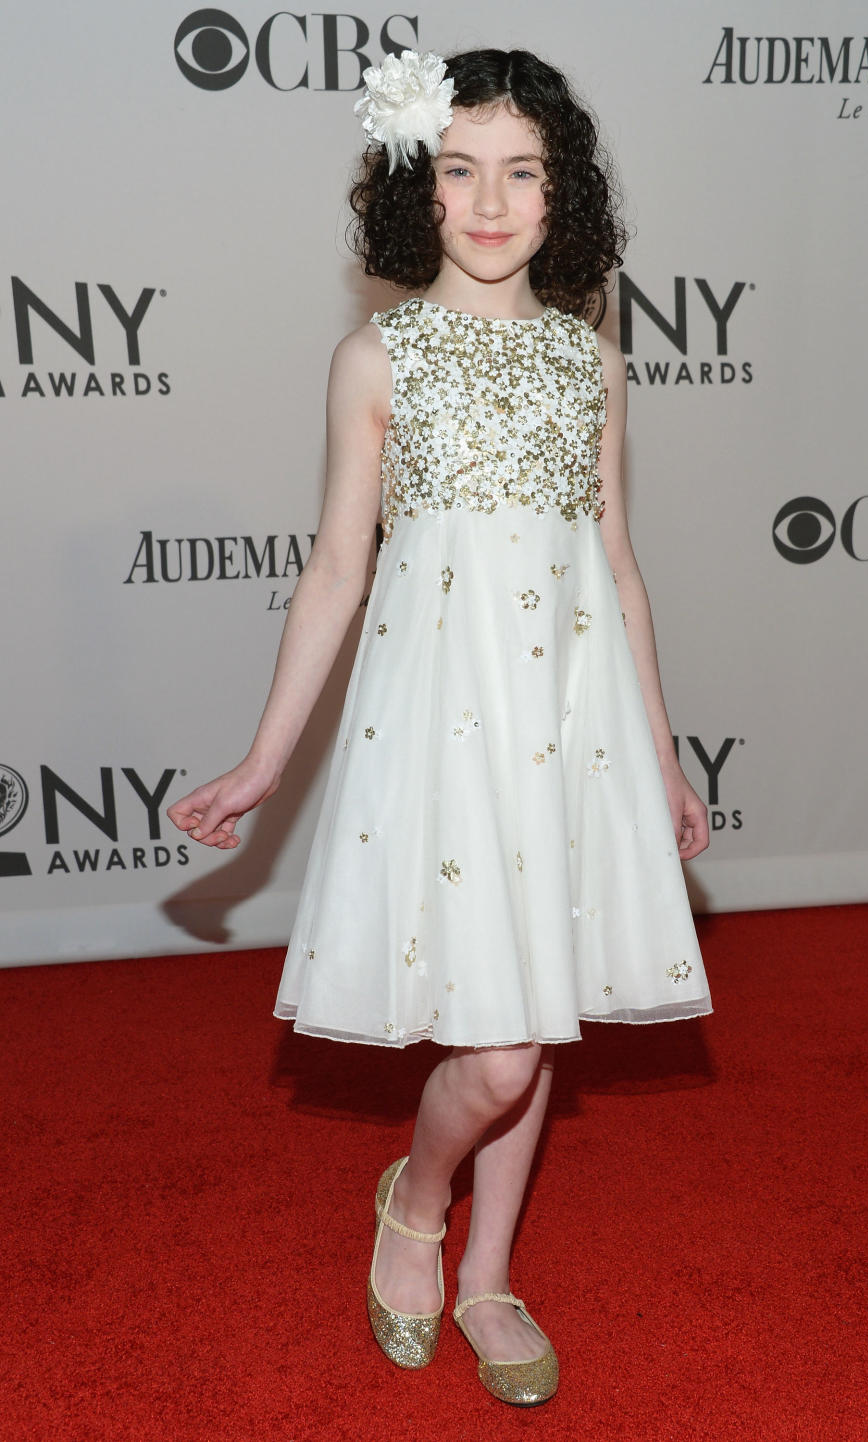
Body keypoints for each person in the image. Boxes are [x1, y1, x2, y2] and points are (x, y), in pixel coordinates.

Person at [167, 47, 712, 1407]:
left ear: (559, 193)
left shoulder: (594, 361)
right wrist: (264, 760)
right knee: (500, 1044)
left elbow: (621, 569)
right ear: (420, 188)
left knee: (536, 1016)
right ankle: (417, 1202)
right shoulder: (377, 355)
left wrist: (659, 749)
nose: (488, 199)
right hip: (446, 720)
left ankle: (486, 1271)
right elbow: (338, 571)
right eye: (459, 169)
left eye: (520, 171)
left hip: (569, 718)